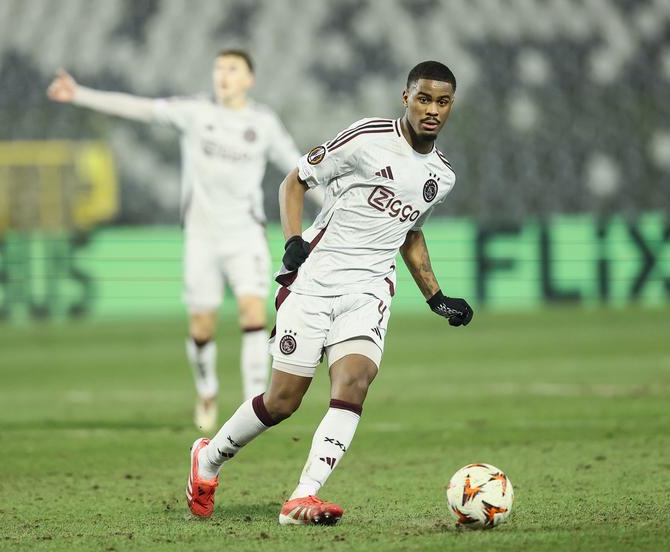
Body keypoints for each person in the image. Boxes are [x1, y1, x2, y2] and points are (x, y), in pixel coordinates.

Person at [185, 60, 474, 525]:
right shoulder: (366, 139)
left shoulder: (442, 176)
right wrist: (292, 241)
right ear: (406, 98)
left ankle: (303, 496)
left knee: (355, 381)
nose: (432, 110)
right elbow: (294, 181)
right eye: (424, 98)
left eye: (442, 102)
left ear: (451, 105)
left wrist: (435, 296)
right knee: (282, 401)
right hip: (315, 283)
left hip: (369, 292)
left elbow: (410, 232)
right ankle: (209, 458)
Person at [47, 50, 319, 432]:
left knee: (253, 315)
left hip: (246, 235)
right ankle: (207, 390)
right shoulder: (194, 112)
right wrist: (79, 94)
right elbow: (141, 109)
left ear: (249, 79)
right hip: (202, 238)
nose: (223, 75)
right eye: (219, 68)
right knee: (201, 329)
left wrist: (334, 200)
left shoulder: (264, 122)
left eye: (232, 69)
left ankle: (252, 404)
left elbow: (299, 167)